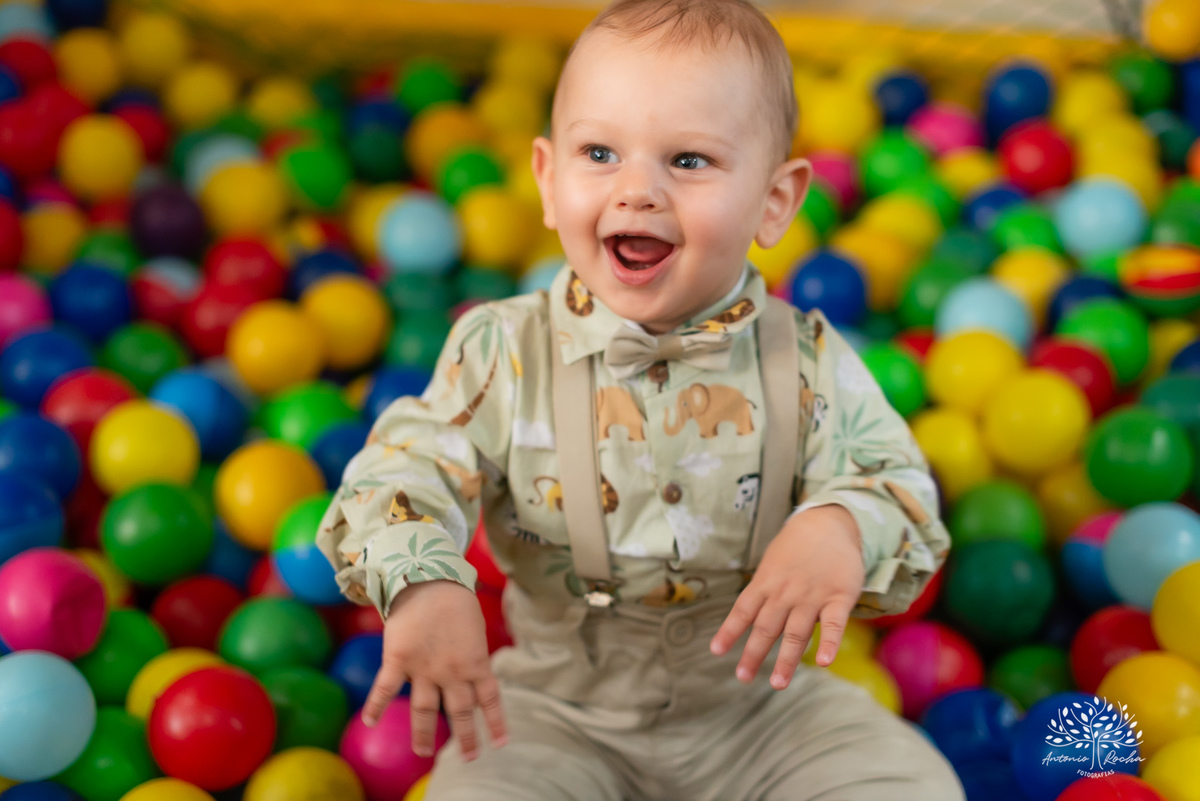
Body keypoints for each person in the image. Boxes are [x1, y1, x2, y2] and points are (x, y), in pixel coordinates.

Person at [317, 1, 964, 798]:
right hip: (555, 719)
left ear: (774, 201)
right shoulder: (503, 350)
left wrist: (838, 524)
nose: (638, 190)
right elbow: (405, 463)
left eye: (689, 160)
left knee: (912, 785)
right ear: (549, 183)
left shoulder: (809, 359)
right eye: (600, 152)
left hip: (767, 714)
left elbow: (900, 484)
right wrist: (424, 578)